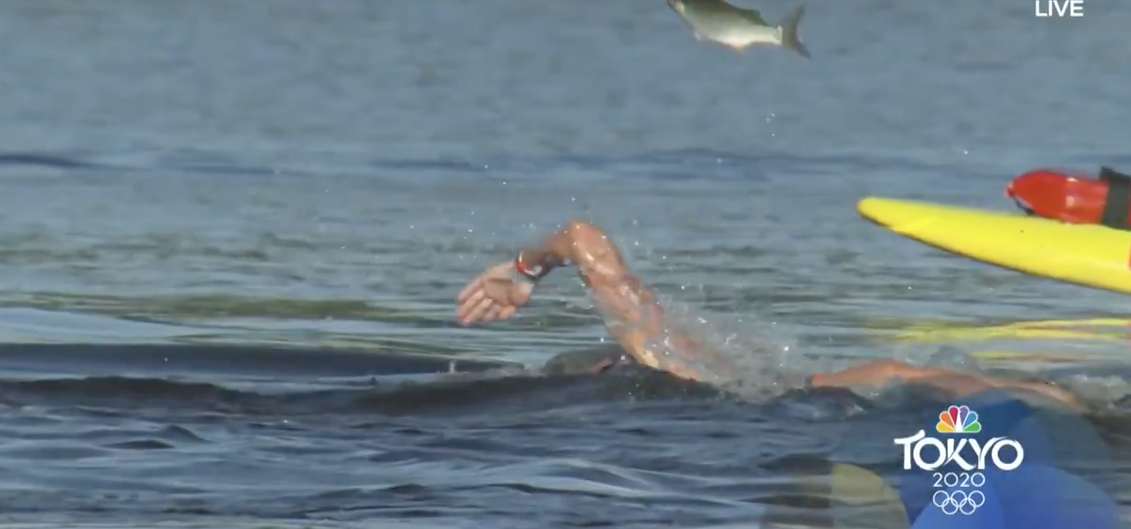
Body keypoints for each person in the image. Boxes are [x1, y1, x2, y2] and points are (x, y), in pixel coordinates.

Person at [455, 218, 1081, 408]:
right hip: (796, 389)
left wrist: (524, 274)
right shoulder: (671, 348)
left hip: (788, 399)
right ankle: (1075, 402)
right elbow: (581, 235)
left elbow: (581, 234)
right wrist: (527, 267)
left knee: (905, 377)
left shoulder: (657, 354)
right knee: (904, 374)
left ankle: (1071, 404)